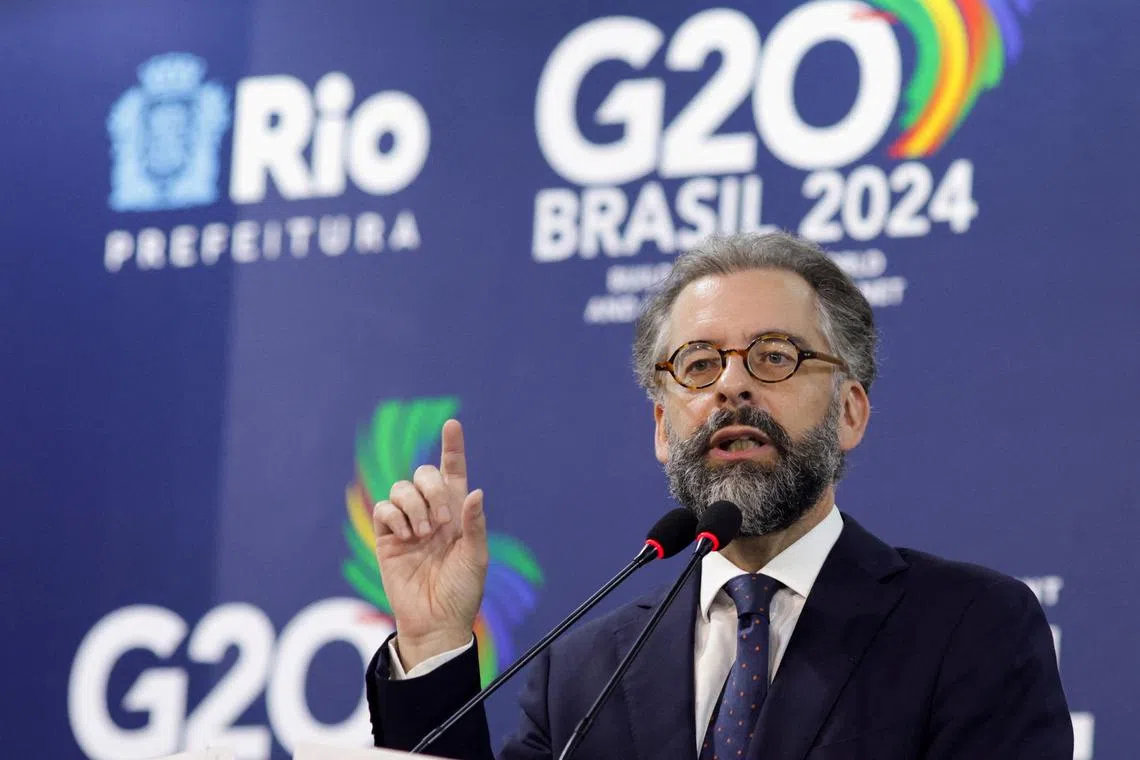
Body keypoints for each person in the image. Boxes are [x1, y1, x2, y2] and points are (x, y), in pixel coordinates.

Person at [365, 232, 1073, 759]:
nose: (732, 387)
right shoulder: (581, 675)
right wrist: (434, 642)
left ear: (850, 411)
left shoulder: (969, 627)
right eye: (699, 364)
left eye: (774, 357)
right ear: (663, 429)